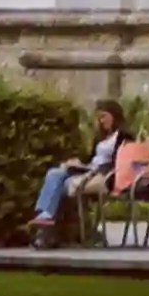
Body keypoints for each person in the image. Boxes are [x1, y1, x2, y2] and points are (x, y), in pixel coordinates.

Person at [31, 99, 128, 248]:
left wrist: (88, 167)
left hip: (104, 173)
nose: (101, 121)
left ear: (114, 115)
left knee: (59, 185)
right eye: (99, 117)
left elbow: (120, 161)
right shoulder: (100, 137)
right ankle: (45, 220)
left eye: (104, 116)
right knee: (55, 173)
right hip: (90, 169)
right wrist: (78, 162)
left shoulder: (124, 136)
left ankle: (46, 229)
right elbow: (92, 157)